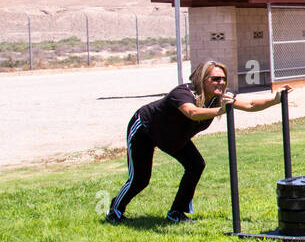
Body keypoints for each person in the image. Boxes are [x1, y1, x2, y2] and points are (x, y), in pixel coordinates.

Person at [106, 60, 291, 224]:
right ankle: (115, 211)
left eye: (223, 78)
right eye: (215, 79)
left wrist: (275, 99)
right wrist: (220, 111)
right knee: (140, 179)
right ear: (203, 80)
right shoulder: (183, 93)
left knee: (195, 165)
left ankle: (176, 212)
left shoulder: (220, 98)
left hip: (174, 137)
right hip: (145, 130)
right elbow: (192, 113)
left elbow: (250, 105)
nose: (221, 82)